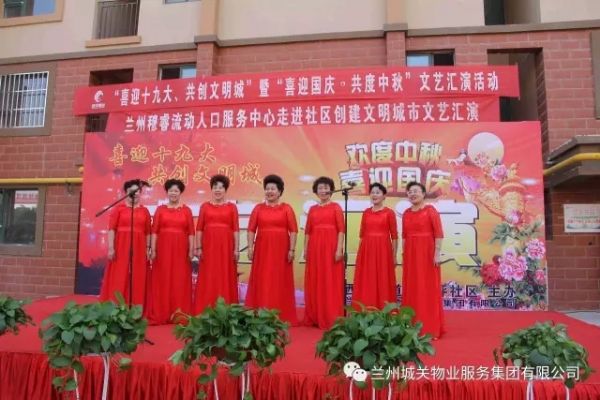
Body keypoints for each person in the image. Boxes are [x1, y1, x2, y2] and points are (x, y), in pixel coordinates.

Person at [245, 174, 299, 325]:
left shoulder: (286, 208)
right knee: (263, 278)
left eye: (273, 189)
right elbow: (251, 229)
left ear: (280, 191)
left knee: (279, 279)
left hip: (281, 249)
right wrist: (250, 247)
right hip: (262, 248)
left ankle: (279, 313)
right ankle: (260, 311)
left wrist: (292, 250)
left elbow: (293, 230)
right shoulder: (258, 208)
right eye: (267, 189)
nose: (269, 191)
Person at [401, 181, 445, 339]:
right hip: (411, 255)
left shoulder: (430, 211)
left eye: (416, 191)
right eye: (410, 192)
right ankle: (410, 326)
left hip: (427, 254)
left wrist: (437, 254)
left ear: (423, 193)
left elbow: (439, 234)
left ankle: (429, 328)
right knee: (412, 288)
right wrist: (404, 254)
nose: (412, 194)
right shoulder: (406, 213)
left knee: (427, 288)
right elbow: (404, 236)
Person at [148, 179, 195, 324]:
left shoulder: (187, 210)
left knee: (179, 279)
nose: (173, 193)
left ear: (180, 193)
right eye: (171, 191)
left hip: (181, 249)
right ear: (167, 192)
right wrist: (153, 249)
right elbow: (154, 231)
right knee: (163, 278)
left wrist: (191, 250)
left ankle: (179, 313)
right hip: (163, 248)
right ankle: (161, 312)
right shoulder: (160, 210)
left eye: (176, 191)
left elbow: (191, 232)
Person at [100, 179, 151, 307]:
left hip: (139, 246)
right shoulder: (119, 209)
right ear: (126, 192)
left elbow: (148, 232)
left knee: (137, 275)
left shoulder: (144, 211)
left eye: (137, 191)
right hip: (121, 245)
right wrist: (111, 248)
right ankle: (116, 306)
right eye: (131, 191)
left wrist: (148, 248)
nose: (135, 193)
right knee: (119, 274)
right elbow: (112, 229)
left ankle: (135, 306)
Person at [303, 176, 345, 329]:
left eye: (326, 188)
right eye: (320, 188)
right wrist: (305, 249)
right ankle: (315, 315)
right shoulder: (312, 209)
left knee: (330, 280)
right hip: (315, 247)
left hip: (331, 247)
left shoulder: (336, 207)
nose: (323, 191)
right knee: (316, 279)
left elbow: (341, 230)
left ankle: (330, 316)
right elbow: (308, 231)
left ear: (331, 190)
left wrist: (339, 249)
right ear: (316, 191)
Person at [194, 175, 240, 313]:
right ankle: (206, 307)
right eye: (215, 187)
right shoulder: (205, 206)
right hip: (208, 246)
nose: (218, 190)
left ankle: (226, 309)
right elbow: (199, 229)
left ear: (225, 190)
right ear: (211, 189)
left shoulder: (232, 207)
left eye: (221, 187)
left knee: (225, 274)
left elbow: (236, 229)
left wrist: (236, 249)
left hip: (226, 247)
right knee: (209, 275)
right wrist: (198, 247)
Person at [352, 182, 398, 310]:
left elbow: (394, 236)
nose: (374, 195)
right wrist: (360, 255)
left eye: (378, 192)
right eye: (372, 192)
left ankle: (383, 310)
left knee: (383, 279)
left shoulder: (389, 213)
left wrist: (394, 256)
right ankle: (366, 309)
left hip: (383, 250)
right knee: (367, 279)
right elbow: (362, 235)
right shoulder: (366, 213)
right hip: (367, 250)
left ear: (384, 196)